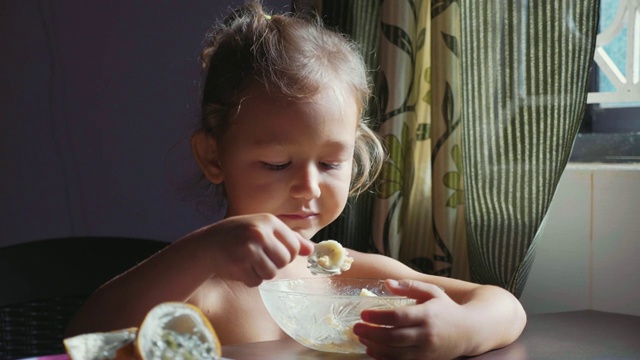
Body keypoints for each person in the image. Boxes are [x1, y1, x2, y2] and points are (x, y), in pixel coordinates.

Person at [65, 1, 526, 359]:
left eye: (329, 165)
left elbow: (503, 305)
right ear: (213, 156)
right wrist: (202, 250)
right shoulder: (203, 287)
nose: (309, 188)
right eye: (276, 164)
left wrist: (461, 332)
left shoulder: (359, 277)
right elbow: (83, 340)